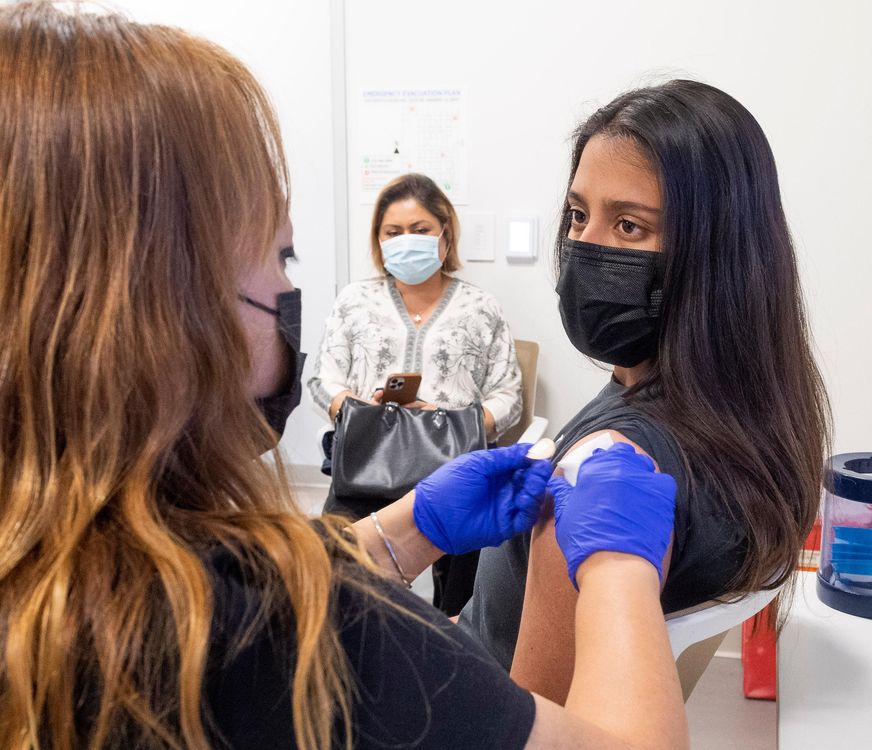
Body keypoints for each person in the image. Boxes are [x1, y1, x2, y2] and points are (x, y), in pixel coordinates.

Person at [0, 4, 691, 749]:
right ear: (172, 307)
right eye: (280, 257)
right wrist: (619, 569)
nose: (289, 291)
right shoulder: (306, 645)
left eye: (628, 225)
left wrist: (403, 532)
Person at [459, 80, 831, 702]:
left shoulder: (607, 470)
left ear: (716, 255)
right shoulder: (756, 418)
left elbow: (537, 729)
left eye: (629, 226)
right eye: (579, 215)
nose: (584, 247)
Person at [308, 173, 522, 613]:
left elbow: (508, 394)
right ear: (379, 240)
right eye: (394, 232)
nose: (407, 240)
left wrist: (446, 422)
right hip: (368, 464)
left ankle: (454, 643)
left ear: (445, 234)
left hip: (453, 464)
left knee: (465, 586)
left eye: (420, 230)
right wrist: (360, 410)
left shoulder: (481, 308)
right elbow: (321, 379)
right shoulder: (354, 301)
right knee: (336, 576)